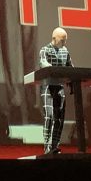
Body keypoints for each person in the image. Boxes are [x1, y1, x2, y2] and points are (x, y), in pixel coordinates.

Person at [38, 27, 72, 155]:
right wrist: (53, 69)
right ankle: (47, 146)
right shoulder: (45, 50)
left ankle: (55, 146)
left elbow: (70, 67)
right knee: (49, 116)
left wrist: (73, 79)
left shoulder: (65, 51)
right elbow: (43, 63)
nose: (64, 43)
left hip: (59, 88)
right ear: (54, 38)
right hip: (48, 87)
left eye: (65, 40)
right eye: (62, 40)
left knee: (59, 118)